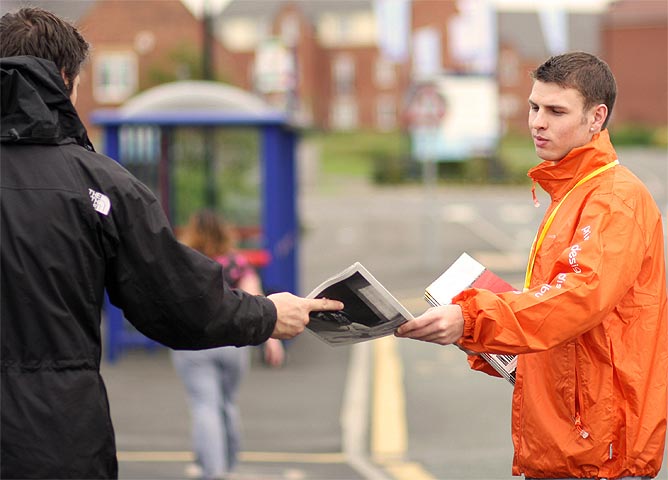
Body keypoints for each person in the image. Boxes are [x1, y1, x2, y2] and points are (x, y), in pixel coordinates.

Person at [0, 7, 342, 479]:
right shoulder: (98, 185)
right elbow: (176, 300)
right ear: (63, 81)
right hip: (54, 441)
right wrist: (267, 313)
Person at [396, 51, 667, 480]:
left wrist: (473, 318)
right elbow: (560, 312)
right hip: (569, 440)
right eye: (534, 106)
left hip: (598, 451)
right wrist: (486, 339)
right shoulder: (574, 189)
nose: (538, 121)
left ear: (596, 118)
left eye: (556, 110)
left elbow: (578, 298)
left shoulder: (614, 198)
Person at [172, 210, 284, 480]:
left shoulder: (185, 261)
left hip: (193, 344)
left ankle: (212, 470)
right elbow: (257, 301)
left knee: (203, 405)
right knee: (227, 403)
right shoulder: (235, 262)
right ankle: (230, 462)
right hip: (233, 343)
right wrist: (270, 340)